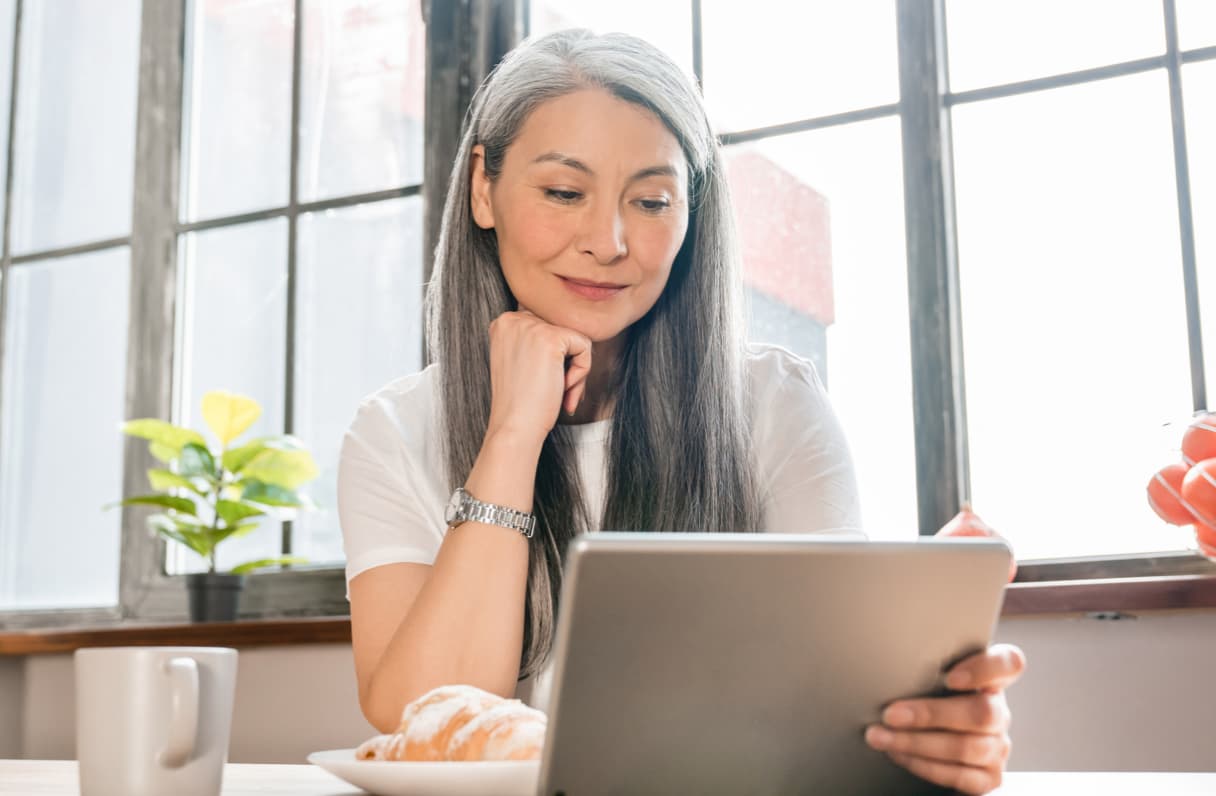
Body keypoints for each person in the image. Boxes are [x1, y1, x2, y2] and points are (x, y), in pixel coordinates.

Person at [337, 28, 1025, 795]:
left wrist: (924, 735)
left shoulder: (775, 408)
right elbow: (422, 719)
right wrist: (511, 436)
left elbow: (830, 715)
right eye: (565, 192)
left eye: (652, 200)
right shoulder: (392, 433)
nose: (609, 241)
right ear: (483, 190)